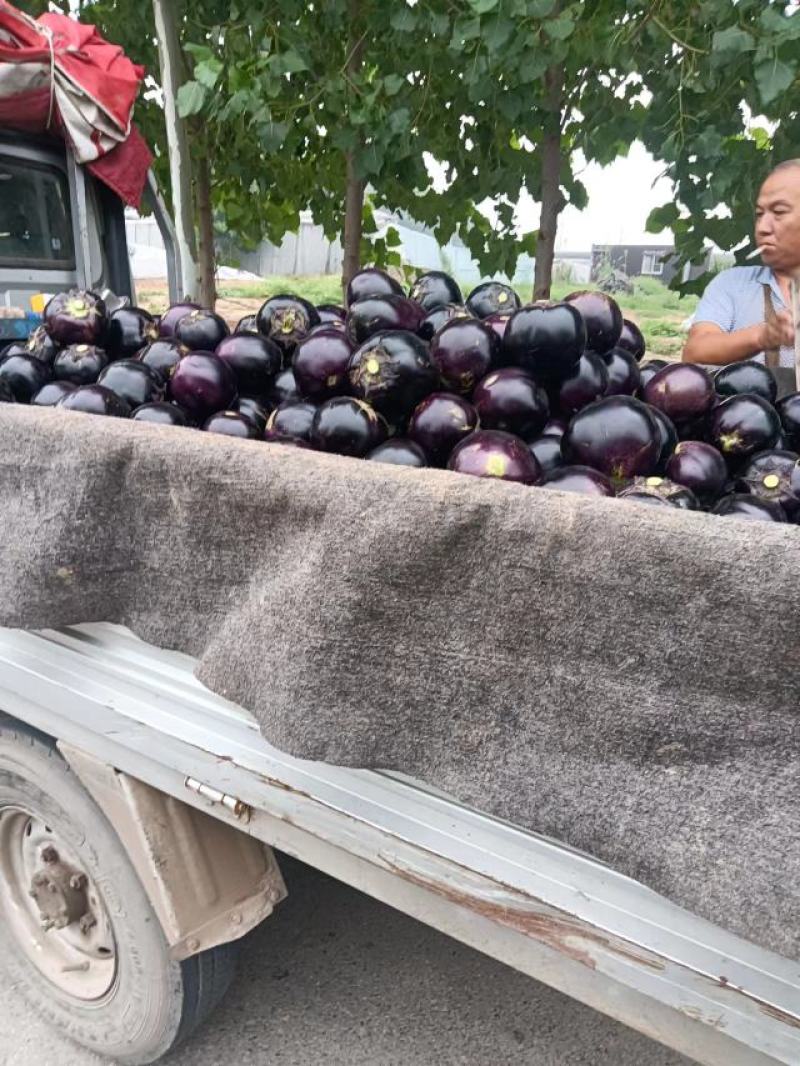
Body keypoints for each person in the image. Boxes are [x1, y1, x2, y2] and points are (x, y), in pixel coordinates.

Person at [682, 159, 800, 368]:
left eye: (779, 212)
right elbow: (695, 351)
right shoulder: (732, 284)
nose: (762, 228)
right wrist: (762, 335)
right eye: (759, 214)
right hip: (742, 401)